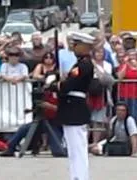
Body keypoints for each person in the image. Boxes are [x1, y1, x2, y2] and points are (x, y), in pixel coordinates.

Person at [47, 31, 95, 180]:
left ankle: (80, 177)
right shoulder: (80, 64)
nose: (73, 47)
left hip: (75, 108)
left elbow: (68, 86)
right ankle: (76, 176)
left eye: (76, 44)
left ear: (84, 46)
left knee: (78, 149)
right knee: (73, 149)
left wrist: (55, 85)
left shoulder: (84, 64)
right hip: (71, 108)